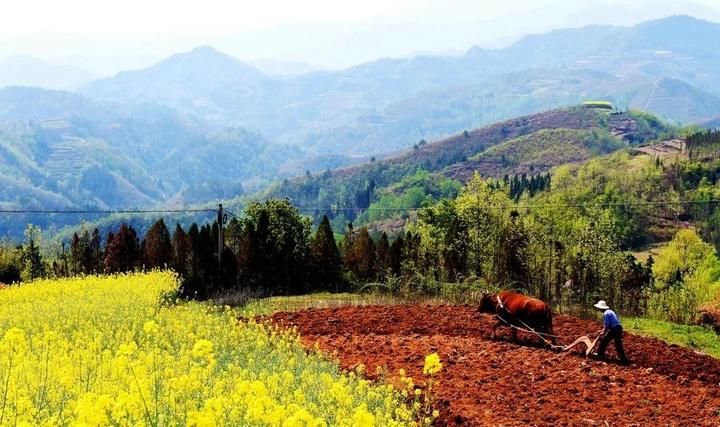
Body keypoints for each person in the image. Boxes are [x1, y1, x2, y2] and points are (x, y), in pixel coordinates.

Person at [593, 300, 631, 364]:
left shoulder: (605, 314)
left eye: (599, 308)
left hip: (615, 329)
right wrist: (603, 330)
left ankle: (600, 354)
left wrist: (604, 332)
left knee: (605, 341)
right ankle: (623, 359)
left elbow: (608, 325)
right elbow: (610, 324)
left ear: (601, 308)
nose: (599, 309)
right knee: (617, 344)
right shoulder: (610, 311)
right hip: (618, 328)